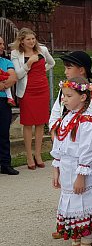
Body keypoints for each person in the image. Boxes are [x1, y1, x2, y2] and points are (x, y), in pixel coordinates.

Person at [50, 77, 92, 246]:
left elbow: (87, 150)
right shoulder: (66, 118)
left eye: (68, 96)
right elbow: (59, 145)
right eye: (64, 96)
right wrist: (56, 168)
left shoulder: (86, 122)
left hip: (81, 170)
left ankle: (86, 240)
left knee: (83, 204)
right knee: (73, 206)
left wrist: (81, 175)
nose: (64, 99)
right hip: (67, 169)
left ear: (82, 97)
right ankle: (79, 237)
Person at [11, 28, 55, 170]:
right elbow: (17, 75)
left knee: (41, 123)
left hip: (42, 88)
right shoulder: (15, 54)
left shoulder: (42, 50)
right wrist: (28, 64)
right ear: (22, 41)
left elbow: (52, 63)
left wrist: (42, 71)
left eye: (33, 38)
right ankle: (29, 156)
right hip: (27, 90)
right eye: (28, 39)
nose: (32, 41)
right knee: (28, 123)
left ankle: (38, 154)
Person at [49, 51, 92, 131]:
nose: (65, 72)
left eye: (69, 68)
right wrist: (54, 129)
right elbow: (56, 113)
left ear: (81, 70)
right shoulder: (64, 89)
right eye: (65, 68)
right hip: (61, 134)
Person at [0, 36, 19, 175]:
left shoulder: (6, 62)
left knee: (3, 133)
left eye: (2, 43)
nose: (2, 46)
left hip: (3, 101)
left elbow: (13, 78)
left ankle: (5, 164)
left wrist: (3, 85)